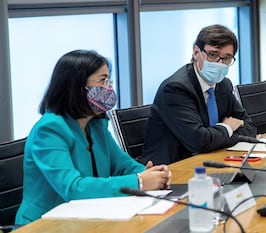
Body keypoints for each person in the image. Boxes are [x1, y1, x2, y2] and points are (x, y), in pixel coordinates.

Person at [14, 50, 171, 225]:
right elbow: (73, 188)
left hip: (85, 217)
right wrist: (140, 182)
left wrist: (150, 174)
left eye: (109, 80)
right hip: (44, 224)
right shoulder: (50, 129)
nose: (109, 87)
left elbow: (122, 165)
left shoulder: (96, 124)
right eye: (102, 80)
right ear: (76, 86)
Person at [142, 24, 257, 165]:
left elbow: (250, 127)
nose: (219, 63)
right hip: (172, 169)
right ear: (196, 52)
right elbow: (199, 141)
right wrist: (227, 128)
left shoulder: (223, 84)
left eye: (226, 58)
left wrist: (217, 139)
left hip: (211, 161)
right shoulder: (176, 89)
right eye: (213, 55)